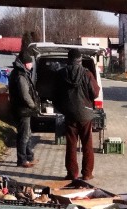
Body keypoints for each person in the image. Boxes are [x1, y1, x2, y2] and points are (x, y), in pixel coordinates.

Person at [54, 48, 100, 180]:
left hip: (69, 115)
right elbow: (95, 93)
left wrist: (63, 108)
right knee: (87, 144)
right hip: (85, 114)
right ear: (80, 60)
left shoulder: (61, 74)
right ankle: (87, 173)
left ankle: (71, 173)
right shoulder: (87, 74)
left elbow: (55, 94)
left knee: (71, 145)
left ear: (68, 60)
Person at [8, 51, 38, 168]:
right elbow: (25, 95)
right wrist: (33, 105)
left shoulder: (20, 73)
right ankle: (22, 160)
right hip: (22, 110)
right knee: (24, 135)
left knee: (27, 134)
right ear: (26, 64)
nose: (31, 65)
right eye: (30, 63)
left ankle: (29, 156)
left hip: (22, 109)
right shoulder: (20, 76)